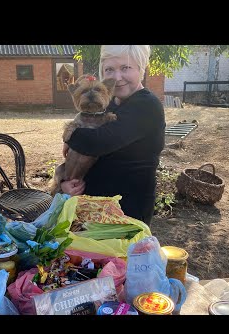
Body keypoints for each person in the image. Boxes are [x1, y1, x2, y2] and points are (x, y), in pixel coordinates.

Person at [60, 45, 165, 225]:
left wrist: (71, 136)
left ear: (141, 68)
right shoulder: (110, 103)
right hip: (94, 207)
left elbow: (96, 142)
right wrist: (66, 182)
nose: (117, 77)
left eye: (126, 68)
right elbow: (81, 149)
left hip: (126, 212)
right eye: (109, 69)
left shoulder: (147, 105)